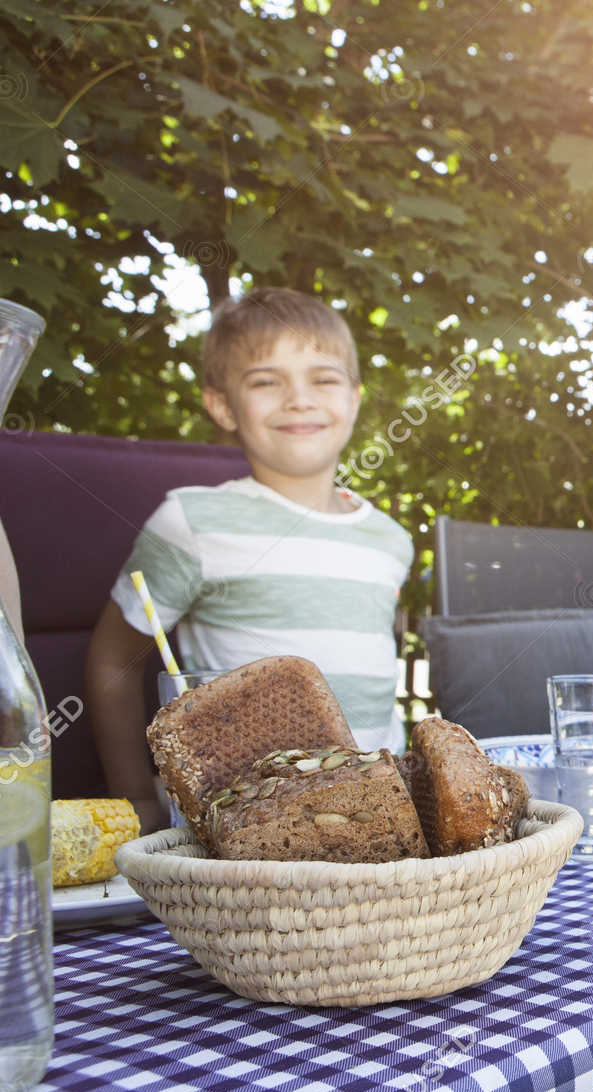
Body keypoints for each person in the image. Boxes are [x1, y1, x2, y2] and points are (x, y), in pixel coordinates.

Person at [86, 288, 412, 831]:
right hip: (244, 826)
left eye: (323, 378)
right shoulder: (191, 521)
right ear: (222, 405)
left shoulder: (391, 539)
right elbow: (111, 662)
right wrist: (134, 802)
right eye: (266, 381)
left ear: (354, 398)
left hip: (379, 819)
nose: (299, 399)